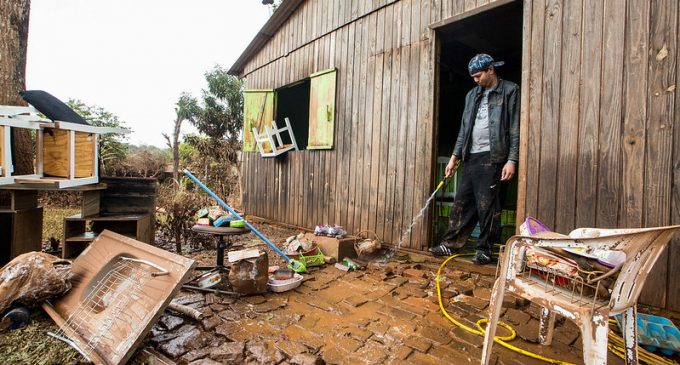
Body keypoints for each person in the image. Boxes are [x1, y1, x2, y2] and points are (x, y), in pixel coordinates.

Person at [429, 53, 519, 265]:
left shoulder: (509, 90)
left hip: (495, 156)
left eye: (478, 75)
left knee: (488, 206)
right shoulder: (472, 95)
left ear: (491, 70)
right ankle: (450, 244)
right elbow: (464, 129)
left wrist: (512, 160)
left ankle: (485, 249)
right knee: (462, 201)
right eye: (473, 77)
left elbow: (515, 128)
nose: (475, 80)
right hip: (471, 156)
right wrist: (454, 157)